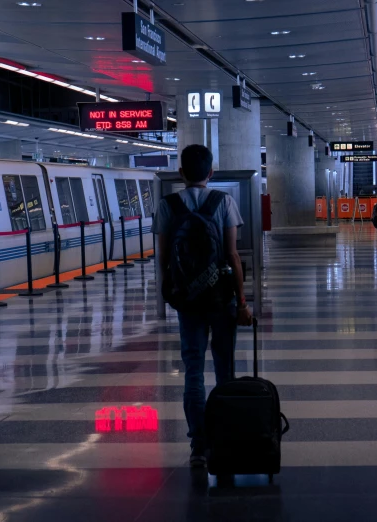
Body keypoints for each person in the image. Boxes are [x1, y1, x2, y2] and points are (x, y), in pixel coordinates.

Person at [153, 144, 253, 467]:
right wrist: (242, 302)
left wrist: (172, 292)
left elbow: (164, 259)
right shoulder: (223, 202)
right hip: (221, 299)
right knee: (225, 371)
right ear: (211, 172)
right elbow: (233, 256)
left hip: (189, 303)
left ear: (181, 173)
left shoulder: (167, 206)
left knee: (193, 371)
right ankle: (224, 438)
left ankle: (198, 445)